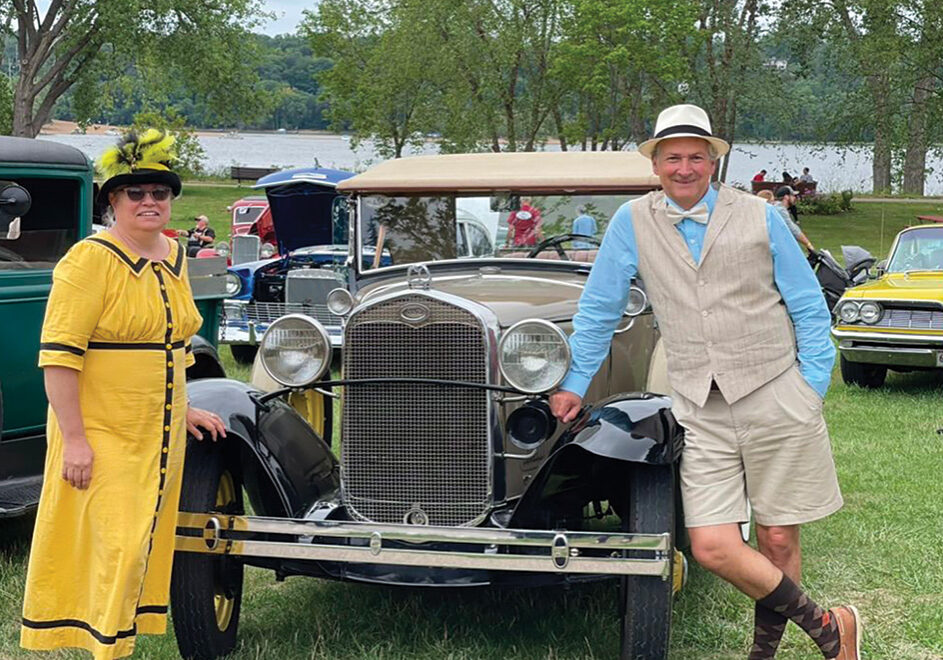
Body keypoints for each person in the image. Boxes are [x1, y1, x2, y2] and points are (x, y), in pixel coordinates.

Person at [548, 104, 860, 660]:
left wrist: (811, 385)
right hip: (697, 402)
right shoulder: (631, 222)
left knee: (778, 538)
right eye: (673, 157)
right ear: (657, 165)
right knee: (714, 546)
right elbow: (599, 310)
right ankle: (829, 629)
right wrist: (574, 382)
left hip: (774, 390)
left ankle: (763, 652)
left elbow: (808, 304)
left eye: (697, 156)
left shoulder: (761, 216)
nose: (685, 168)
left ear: (714, 161)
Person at [21, 129, 227, 659]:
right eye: (134, 193)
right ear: (113, 201)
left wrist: (183, 408)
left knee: (144, 546)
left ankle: (118, 643)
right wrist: (75, 441)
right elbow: (59, 358)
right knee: (117, 545)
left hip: (156, 435)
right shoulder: (88, 260)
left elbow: (174, 344)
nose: (149, 202)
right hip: (101, 431)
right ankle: (104, 650)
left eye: (159, 192)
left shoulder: (176, 256)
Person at [760, 188, 815, 253]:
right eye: (793, 196)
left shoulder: (778, 208)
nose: (795, 198)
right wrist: (808, 244)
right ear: (786, 197)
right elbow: (793, 229)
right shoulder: (780, 210)